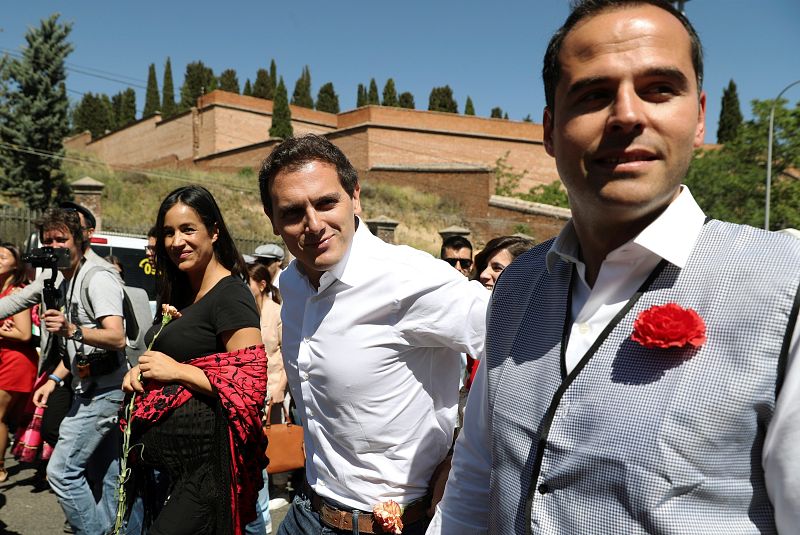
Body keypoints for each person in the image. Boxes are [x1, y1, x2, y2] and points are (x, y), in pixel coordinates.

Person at [429, 1, 800, 533]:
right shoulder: (516, 288)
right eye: (595, 95)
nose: (627, 115)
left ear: (697, 117)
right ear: (551, 130)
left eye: (658, 89)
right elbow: (475, 478)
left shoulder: (786, 288)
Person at [258, 133, 489, 535]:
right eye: (293, 212)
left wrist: (464, 457)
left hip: (394, 524)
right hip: (307, 514)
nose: (314, 225)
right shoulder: (291, 284)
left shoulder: (409, 278)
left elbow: (519, 347)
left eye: (327, 202)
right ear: (273, 219)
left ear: (355, 198)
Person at [122, 185, 267, 535]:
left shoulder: (230, 295)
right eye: (169, 232)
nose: (176, 241)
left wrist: (175, 371)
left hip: (210, 466)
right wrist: (140, 373)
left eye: (188, 229)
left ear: (214, 232)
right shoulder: (182, 292)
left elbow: (250, 388)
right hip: (171, 466)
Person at [30, 208, 127, 535]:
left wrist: (71, 329)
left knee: (61, 472)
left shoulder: (97, 276)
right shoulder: (67, 276)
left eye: (61, 239)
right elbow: (79, 351)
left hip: (104, 392)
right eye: (48, 240)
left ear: (80, 240)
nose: (54, 246)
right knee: (108, 475)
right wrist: (56, 377)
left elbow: (116, 336)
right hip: (88, 389)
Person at [0, 243, 38, 482]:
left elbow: (24, 334)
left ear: (16, 264)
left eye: (3, 256)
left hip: (16, 361)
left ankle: (0, 468)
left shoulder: (17, 291)